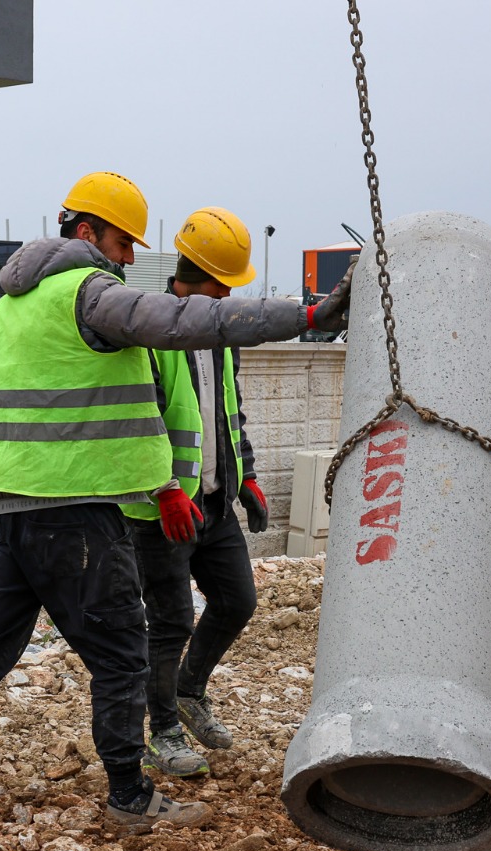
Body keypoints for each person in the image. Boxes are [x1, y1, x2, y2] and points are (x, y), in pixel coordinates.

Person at [0, 172, 350, 830]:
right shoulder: (88, 293)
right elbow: (184, 319)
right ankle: (130, 797)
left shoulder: (6, 312)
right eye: (123, 242)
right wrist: (306, 316)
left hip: (13, 509)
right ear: (87, 232)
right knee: (122, 654)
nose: (131, 258)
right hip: (75, 511)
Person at [119, 208, 351, 778]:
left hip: (212, 500)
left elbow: (228, 409)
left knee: (236, 601)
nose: (230, 294)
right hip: (161, 509)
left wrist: (244, 474)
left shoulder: (220, 338)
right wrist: (164, 488)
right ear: (204, 278)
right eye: (225, 284)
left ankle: (188, 692)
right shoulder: (149, 334)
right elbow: (137, 421)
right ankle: (162, 732)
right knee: (170, 621)